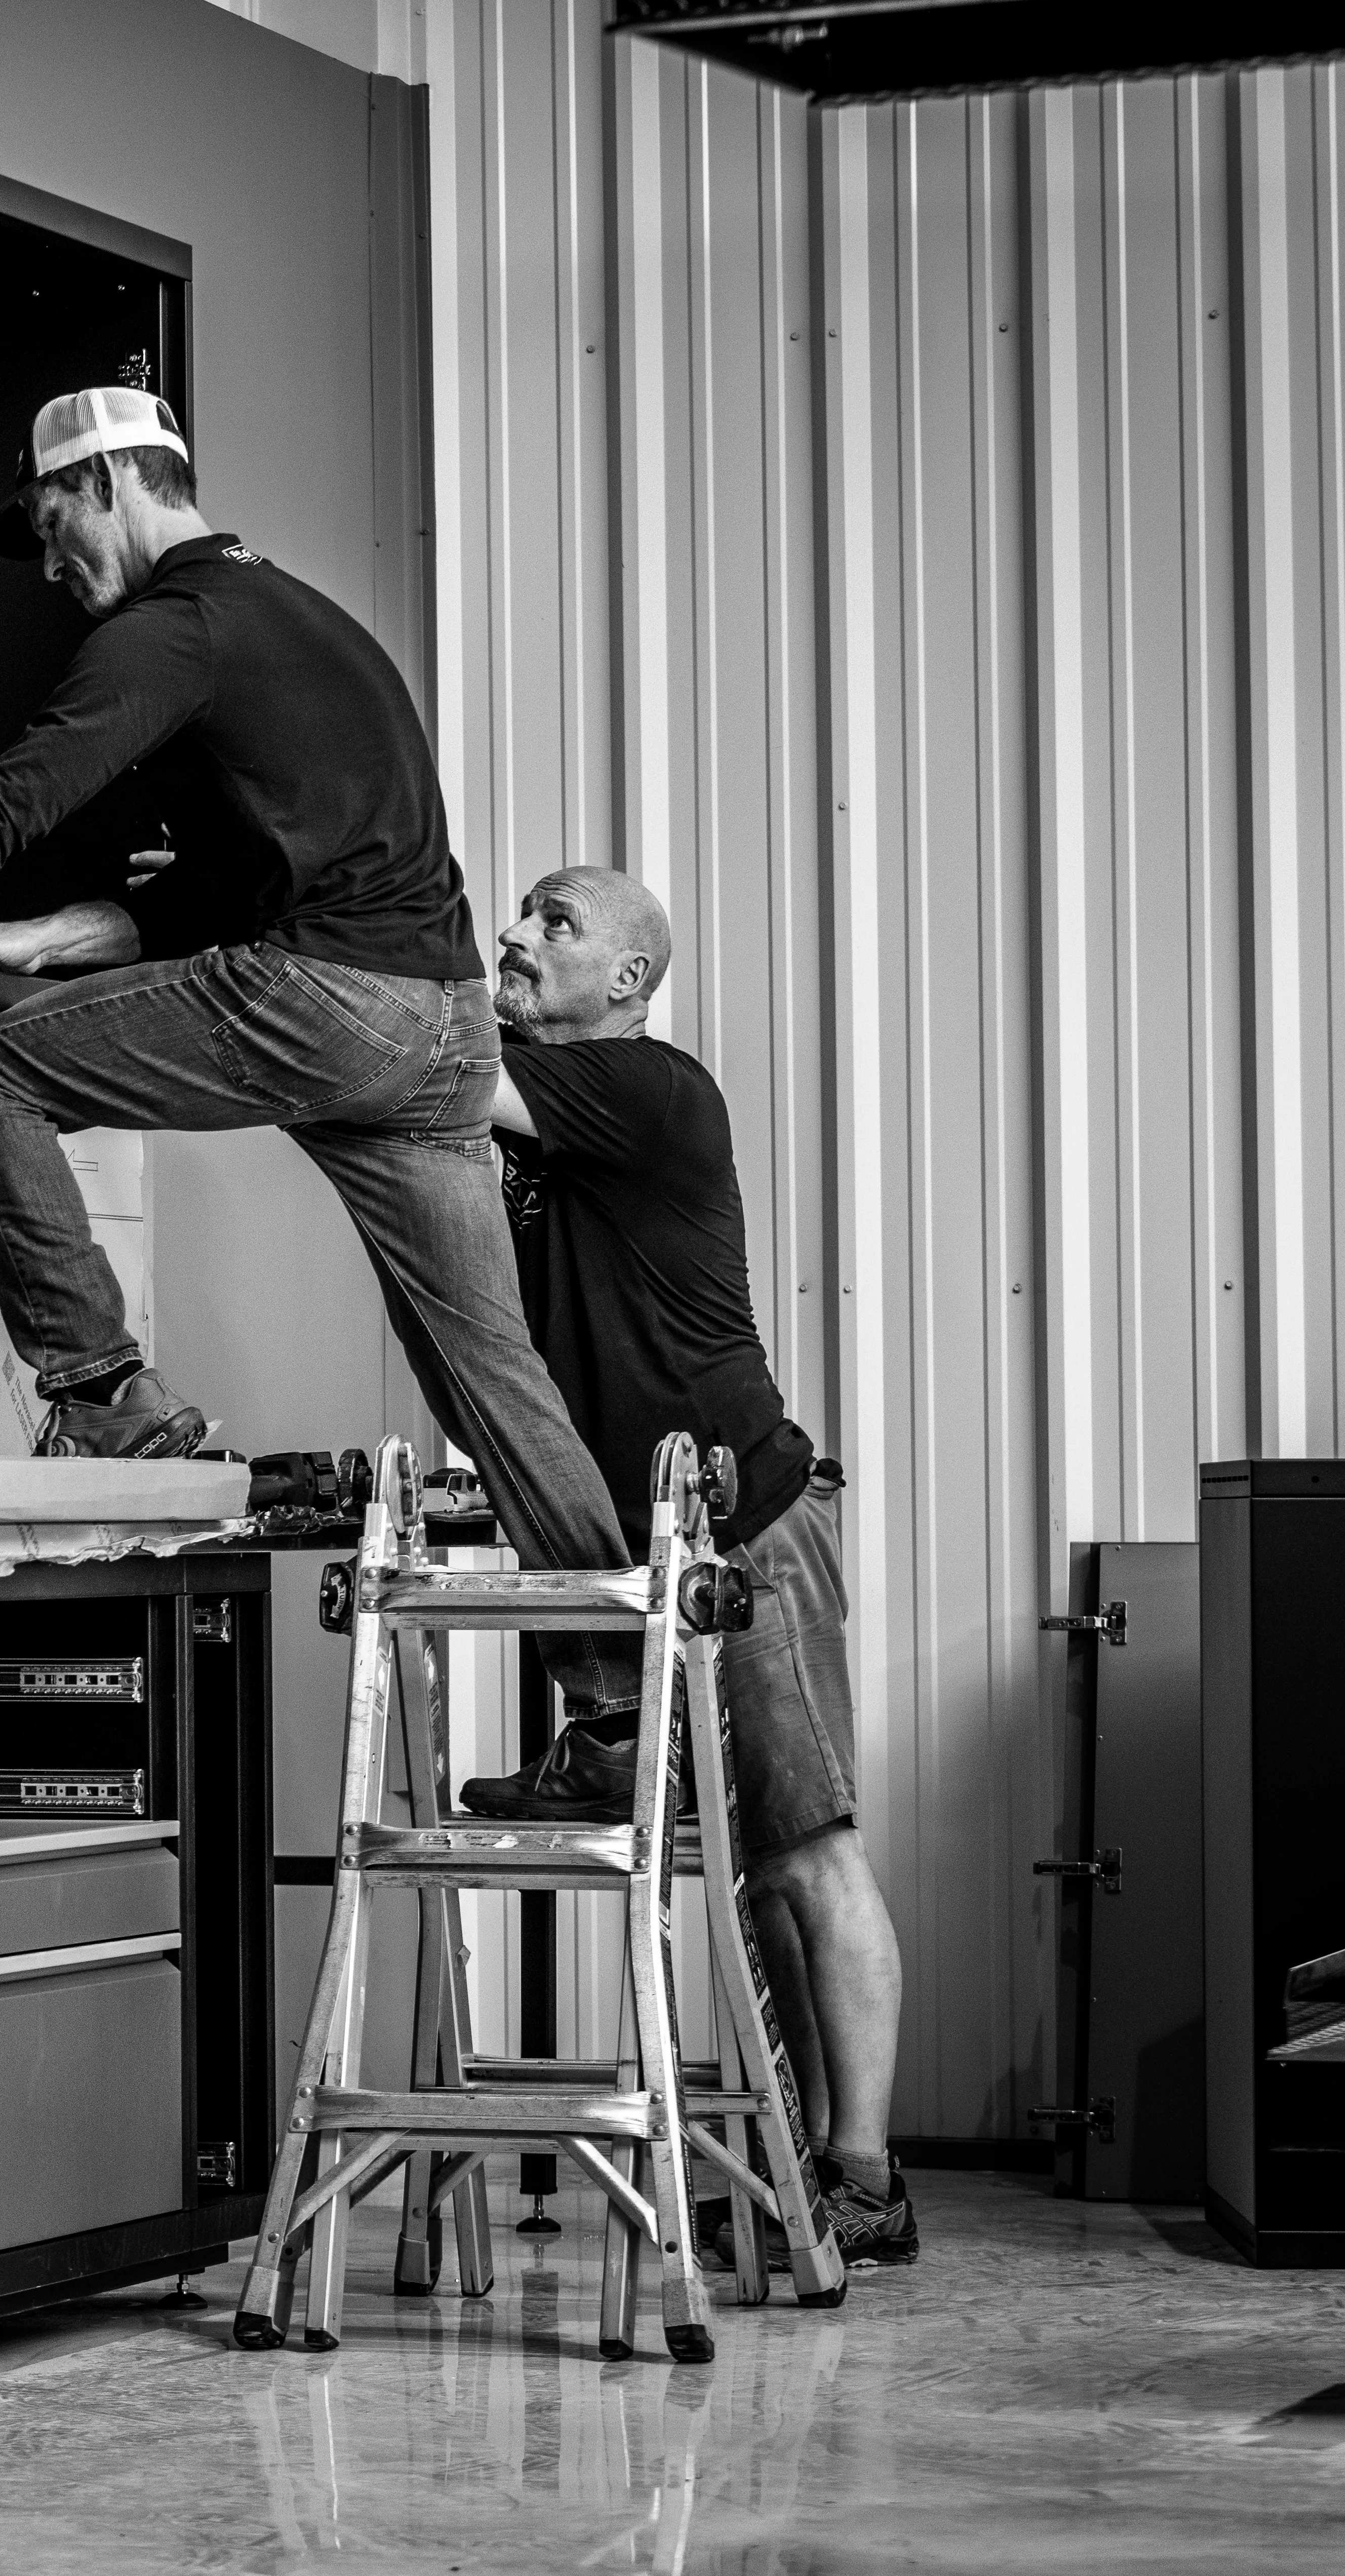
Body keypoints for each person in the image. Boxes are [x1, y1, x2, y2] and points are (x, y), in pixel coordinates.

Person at [0, 386, 630, 1585]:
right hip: (446, 1034)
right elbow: (248, 874)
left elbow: (12, 802)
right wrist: (50, 937)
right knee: (489, 1372)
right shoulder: (306, 620)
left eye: (45, 514)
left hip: (336, 1002)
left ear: (108, 482)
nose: (49, 560)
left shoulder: (174, 627)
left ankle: (103, 1391)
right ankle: (615, 1694)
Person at [450, 863, 915, 2268]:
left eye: (557, 923)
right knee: (756, 1866)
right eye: (518, 916)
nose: (520, 938)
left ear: (632, 979)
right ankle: (804, 2160)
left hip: (747, 1533)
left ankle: (865, 2179)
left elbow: (436, 1074)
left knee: (808, 1860)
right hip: (653, 1548)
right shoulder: (546, 1136)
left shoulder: (647, 1088)